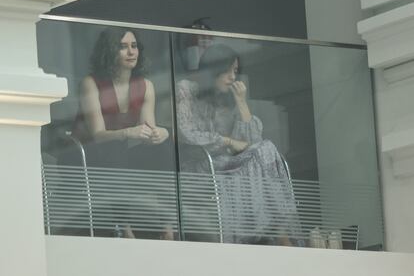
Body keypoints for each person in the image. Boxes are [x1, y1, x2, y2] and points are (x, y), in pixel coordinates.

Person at [176, 44, 301, 245]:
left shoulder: (229, 99)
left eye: (235, 71)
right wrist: (227, 141)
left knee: (265, 147)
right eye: (227, 70)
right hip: (200, 166)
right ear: (212, 69)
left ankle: (277, 229)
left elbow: (252, 143)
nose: (232, 77)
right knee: (261, 152)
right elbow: (185, 133)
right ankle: (279, 233)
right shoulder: (186, 90)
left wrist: (242, 102)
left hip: (228, 164)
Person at [70, 27, 175, 239]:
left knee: (162, 149)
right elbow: (98, 134)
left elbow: (148, 131)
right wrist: (128, 133)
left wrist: (161, 133)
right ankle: (124, 225)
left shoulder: (146, 86)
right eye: (123, 47)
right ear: (110, 51)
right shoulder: (91, 84)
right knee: (115, 149)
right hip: (88, 154)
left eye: (134, 46)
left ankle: (168, 224)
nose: (131, 52)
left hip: (122, 153)